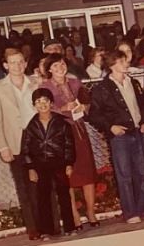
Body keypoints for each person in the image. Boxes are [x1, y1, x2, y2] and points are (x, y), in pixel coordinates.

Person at [86, 48, 144, 225]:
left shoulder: (133, 83)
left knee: (141, 171)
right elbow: (94, 114)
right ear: (112, 65)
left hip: (137, 132)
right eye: (122, 61)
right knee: (124, 174)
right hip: (120, 137)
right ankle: (130, 212)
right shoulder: (102, 88)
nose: (127, 63)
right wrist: (111, 127)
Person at [0, 46, 44, 241]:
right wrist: (3, 146)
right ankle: (33, 228)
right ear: (5, 65)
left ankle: (48, 225)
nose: (17, 66)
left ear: (25, 64)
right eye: (12, 63)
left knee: (43, 183)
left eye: (20, 62)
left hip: (39, 140)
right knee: (24, 186)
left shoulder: (36, 82)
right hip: (15, 142)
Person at [38, 55, 100, 231]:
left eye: (62, 64)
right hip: (60, 134)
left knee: (87, 172)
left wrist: (83, 107)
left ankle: (91, 212)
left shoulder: (75, 82)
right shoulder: (44, 87)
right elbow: (43, 109)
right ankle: (74, 216)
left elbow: (87, 102)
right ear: (49, 69)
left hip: (79, 132)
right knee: (67, 175)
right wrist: (62, 109)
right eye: (55, 65)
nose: (60, 68)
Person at [19, 88, 76, 240]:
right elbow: (26, 149)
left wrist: (69, 164)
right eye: (38, 102)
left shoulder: (62, 123)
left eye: (45, 101)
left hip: (59, 163)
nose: (42, 104)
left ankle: (70, 227)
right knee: (43, 197)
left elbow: (69, 145)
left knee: (64, 195)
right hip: (40, 165)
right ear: (34, 106)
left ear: (51, 103)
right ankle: (46, 230)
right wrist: (31, 168)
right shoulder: (31, 126)